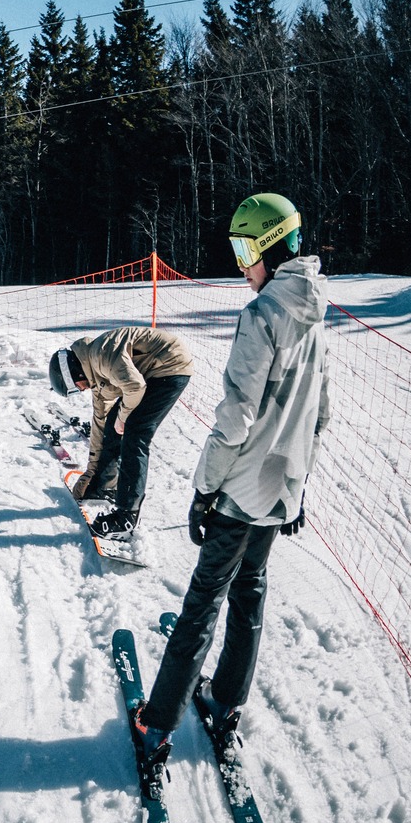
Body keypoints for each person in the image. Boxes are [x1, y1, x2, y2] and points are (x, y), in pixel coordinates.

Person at [134, 194, 330, 771]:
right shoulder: (314, 314)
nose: (242, 265)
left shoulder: (264, 313)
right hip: (277, 491)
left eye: (246, 250)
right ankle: (224, 703)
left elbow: (237, 414)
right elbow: (321, 415)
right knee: (250, 595)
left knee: (203, 604)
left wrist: (203, 488)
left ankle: (157, 724)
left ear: (270, 248)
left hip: (240, 489)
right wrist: (297, 485)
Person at [49, 326, 194, 541]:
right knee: (112, 426)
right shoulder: (96, 377)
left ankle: (126, 515)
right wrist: (91, 474)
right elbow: (100, 424)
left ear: (75, 372)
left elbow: (135, 387)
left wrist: (123, 418)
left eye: (75, 387)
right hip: (151, 374)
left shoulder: (101, 354)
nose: (81, 390)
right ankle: (104, 486)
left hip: (170, 366)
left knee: (135, 435)